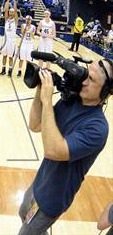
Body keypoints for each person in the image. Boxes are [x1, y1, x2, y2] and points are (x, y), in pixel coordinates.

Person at [19, 58, 112, 234]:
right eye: (85, 74)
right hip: (41, 180)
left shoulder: (97, 128)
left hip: (54, 196)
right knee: (23, 211)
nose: (83, 81)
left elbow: (54, 150)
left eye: (91, 80)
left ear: (105, 91)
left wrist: (47, 101)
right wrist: (41, 90)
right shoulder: (72, 100)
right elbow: (36, 124)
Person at [0, 0, 18, 77]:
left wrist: (14, 1)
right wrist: (7, 1)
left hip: (12, 41)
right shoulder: (7, 19)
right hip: (5, 40)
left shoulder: (16, 20)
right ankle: (3, 70)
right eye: (10, 12)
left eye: (12, 12)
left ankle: (10, 71)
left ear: (14, 13)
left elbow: (15, 10)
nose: (11, 13)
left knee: (10, 57)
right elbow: (6, 10)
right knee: (4, 56)